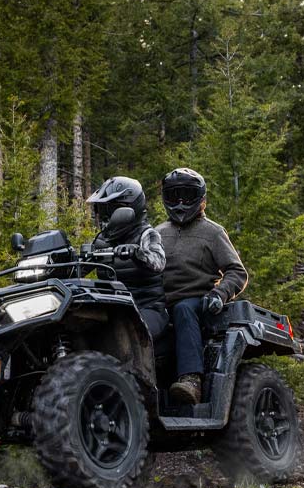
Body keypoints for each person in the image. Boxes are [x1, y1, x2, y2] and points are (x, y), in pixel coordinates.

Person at [157, 168, 248, 405]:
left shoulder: (213, 232)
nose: (180, 202)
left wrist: (219, 294)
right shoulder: (156, 233)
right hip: (159, 302)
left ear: (201, 198)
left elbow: (237, 272)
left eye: (187, 195)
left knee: (183, 309)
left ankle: (191, 380)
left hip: (198, 302)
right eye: (174, 195)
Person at [87, 176, 169, 340]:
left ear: (127, 211)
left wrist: (137, 253)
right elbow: (81, 264)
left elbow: (158, 261)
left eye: (109, 210)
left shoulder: (147, 234)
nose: (103, 216)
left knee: (132, 336)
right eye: (100, 209)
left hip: (147, 307)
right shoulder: (102, 240)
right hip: (114, 308)